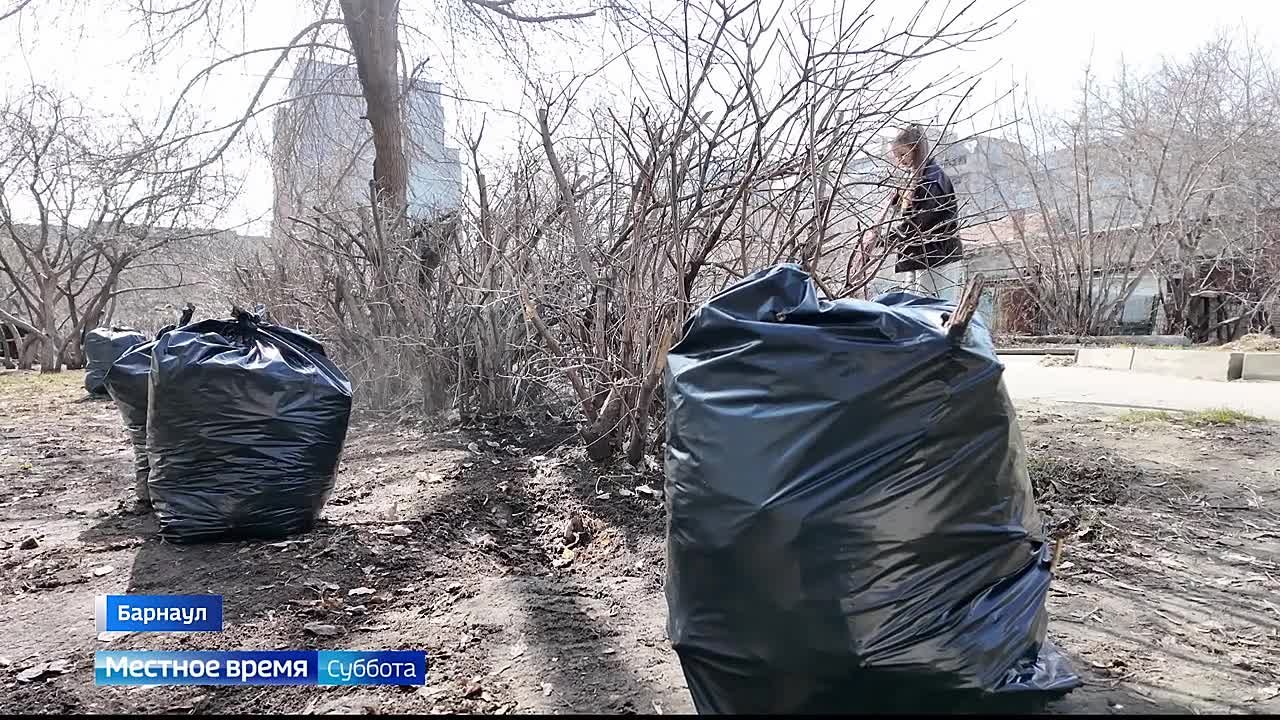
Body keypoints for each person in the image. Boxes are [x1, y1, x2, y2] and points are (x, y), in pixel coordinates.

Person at [877, 125, 964, 300]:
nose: (899, 161)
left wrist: (882, 240)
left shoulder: (932, 181)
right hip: (918, 257)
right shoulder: (915, 177)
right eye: (896, 156)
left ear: (916, 150)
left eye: (903, 154)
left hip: (936, 259)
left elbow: (916, 224)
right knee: (912, 307)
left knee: (929, 309)